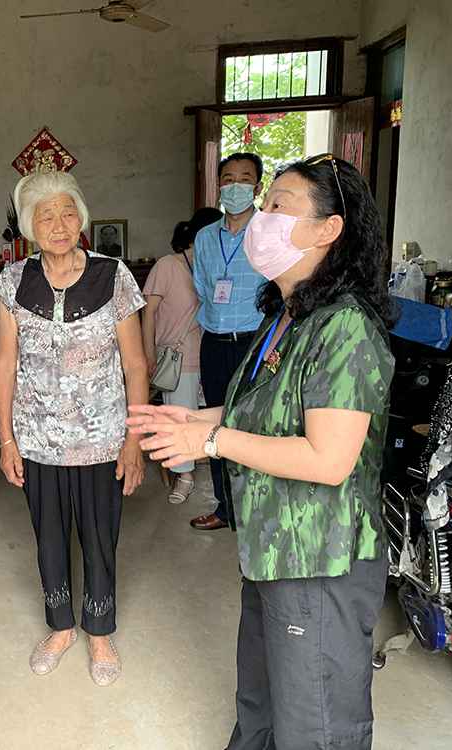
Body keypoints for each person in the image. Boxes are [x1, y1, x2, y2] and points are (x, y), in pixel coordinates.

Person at [129, 155, 396, 749]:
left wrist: (211, 440)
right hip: (272, 546)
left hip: (320, 557)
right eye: (264, 203)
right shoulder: (286, 315)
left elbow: (329, 459)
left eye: (279, 206)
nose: (261, 217)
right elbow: (260, 413)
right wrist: (196, 418)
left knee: (314, 719)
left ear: (329, 230)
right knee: (259, 698)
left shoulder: (344, 327)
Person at [0, 170, 148, 686]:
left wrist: (134, 441)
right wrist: (7, 440)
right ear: (30, 227)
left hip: (102, 438)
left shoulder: (113, 275)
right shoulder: (13, 282)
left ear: (81, 216)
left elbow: (135, 365)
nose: (59, 225)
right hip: (37, 438)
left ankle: (99, 632)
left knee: (100, 537)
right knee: (49, 537)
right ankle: (60, 627)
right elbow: (4, 363)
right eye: (46, 216)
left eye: (67, 212)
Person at [191, 153, 268, 531]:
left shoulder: (269, 232)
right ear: (218, 185)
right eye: (227, 179)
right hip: (214, 342)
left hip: (256, 343)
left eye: (244, 178)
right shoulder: (205, 237)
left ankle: (259, 509)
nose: (235, 186)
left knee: (257, 425)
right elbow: (202, 287)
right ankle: (226, 508)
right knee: (217, 424)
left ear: (257, 187)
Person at [142, 207, 222, 503]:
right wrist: (148, 354)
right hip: (177, 357)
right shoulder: (168, 265)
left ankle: (210, 466)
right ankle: (184, 476)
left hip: (211, 352)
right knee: (180, 418)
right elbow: (148, 314)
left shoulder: (213, 266)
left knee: (210, 416)